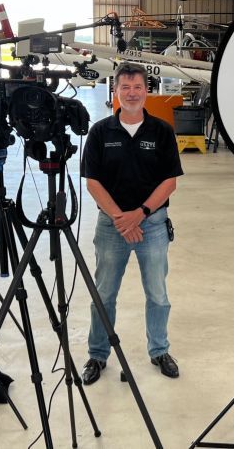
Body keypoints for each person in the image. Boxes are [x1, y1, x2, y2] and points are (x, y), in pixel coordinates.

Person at [81, 62, 183, 385]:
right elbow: (92, 182)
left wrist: (139, 214)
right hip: (112, 226)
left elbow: (170, 181)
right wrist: (120, 219)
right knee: (104, 293)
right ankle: (97, 355)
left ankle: (159, 350)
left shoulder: (162, 131)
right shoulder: (99, 132)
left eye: (137, 87)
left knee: (157, 294)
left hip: (151, 224)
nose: (131, 93)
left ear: (147, 91)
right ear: (115, 93)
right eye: (124, 88)